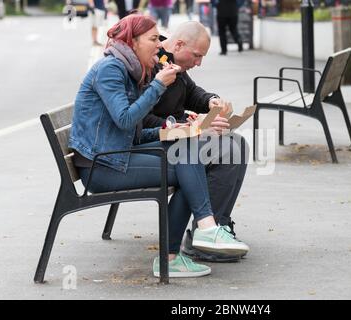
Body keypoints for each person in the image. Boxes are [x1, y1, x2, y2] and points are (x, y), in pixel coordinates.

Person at [69, 14, 249, 278]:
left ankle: (197, 236)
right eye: (154, 39)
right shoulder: (111, 69)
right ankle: (190, 241)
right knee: (188, 167)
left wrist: (181, 129)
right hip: (102, 164)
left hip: (119, 153)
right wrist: (156, 87)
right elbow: (126, 119)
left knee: (187, 149)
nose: (159, 45)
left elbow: (137, 131)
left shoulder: (131, 69)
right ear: (133, 41)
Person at [142, 21, 249, 262]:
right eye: (197, 55)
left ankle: (218, 225)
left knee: (237, 144)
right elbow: (141, 118)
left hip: (176, 138)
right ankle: (203, 236)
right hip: (160, 142)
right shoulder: (152, 63)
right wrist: (195, 127)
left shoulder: (174, 63)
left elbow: (191, 93)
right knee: (226, 150)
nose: (199, 63)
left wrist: (212, 101)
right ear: (179, 44)